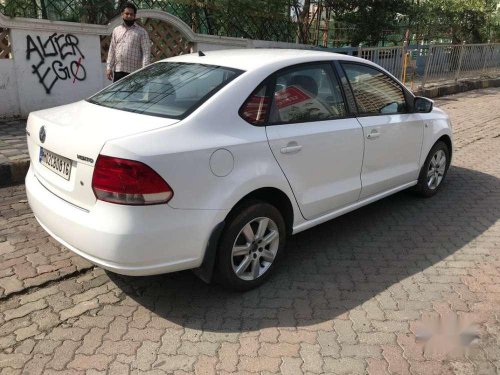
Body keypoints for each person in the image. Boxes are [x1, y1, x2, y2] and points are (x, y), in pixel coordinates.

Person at [106, 2, 151, 82]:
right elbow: (112, 50)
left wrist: (144, 70)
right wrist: (109, 68)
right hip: (118, 71)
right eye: (127, 13)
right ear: (122, 14)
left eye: (131, 14)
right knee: (118, 94)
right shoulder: (116, 30)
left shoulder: (141, 32)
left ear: (134, 16)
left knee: (134, 95)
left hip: (134, 73)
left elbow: (146, 53)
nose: (129, 16)